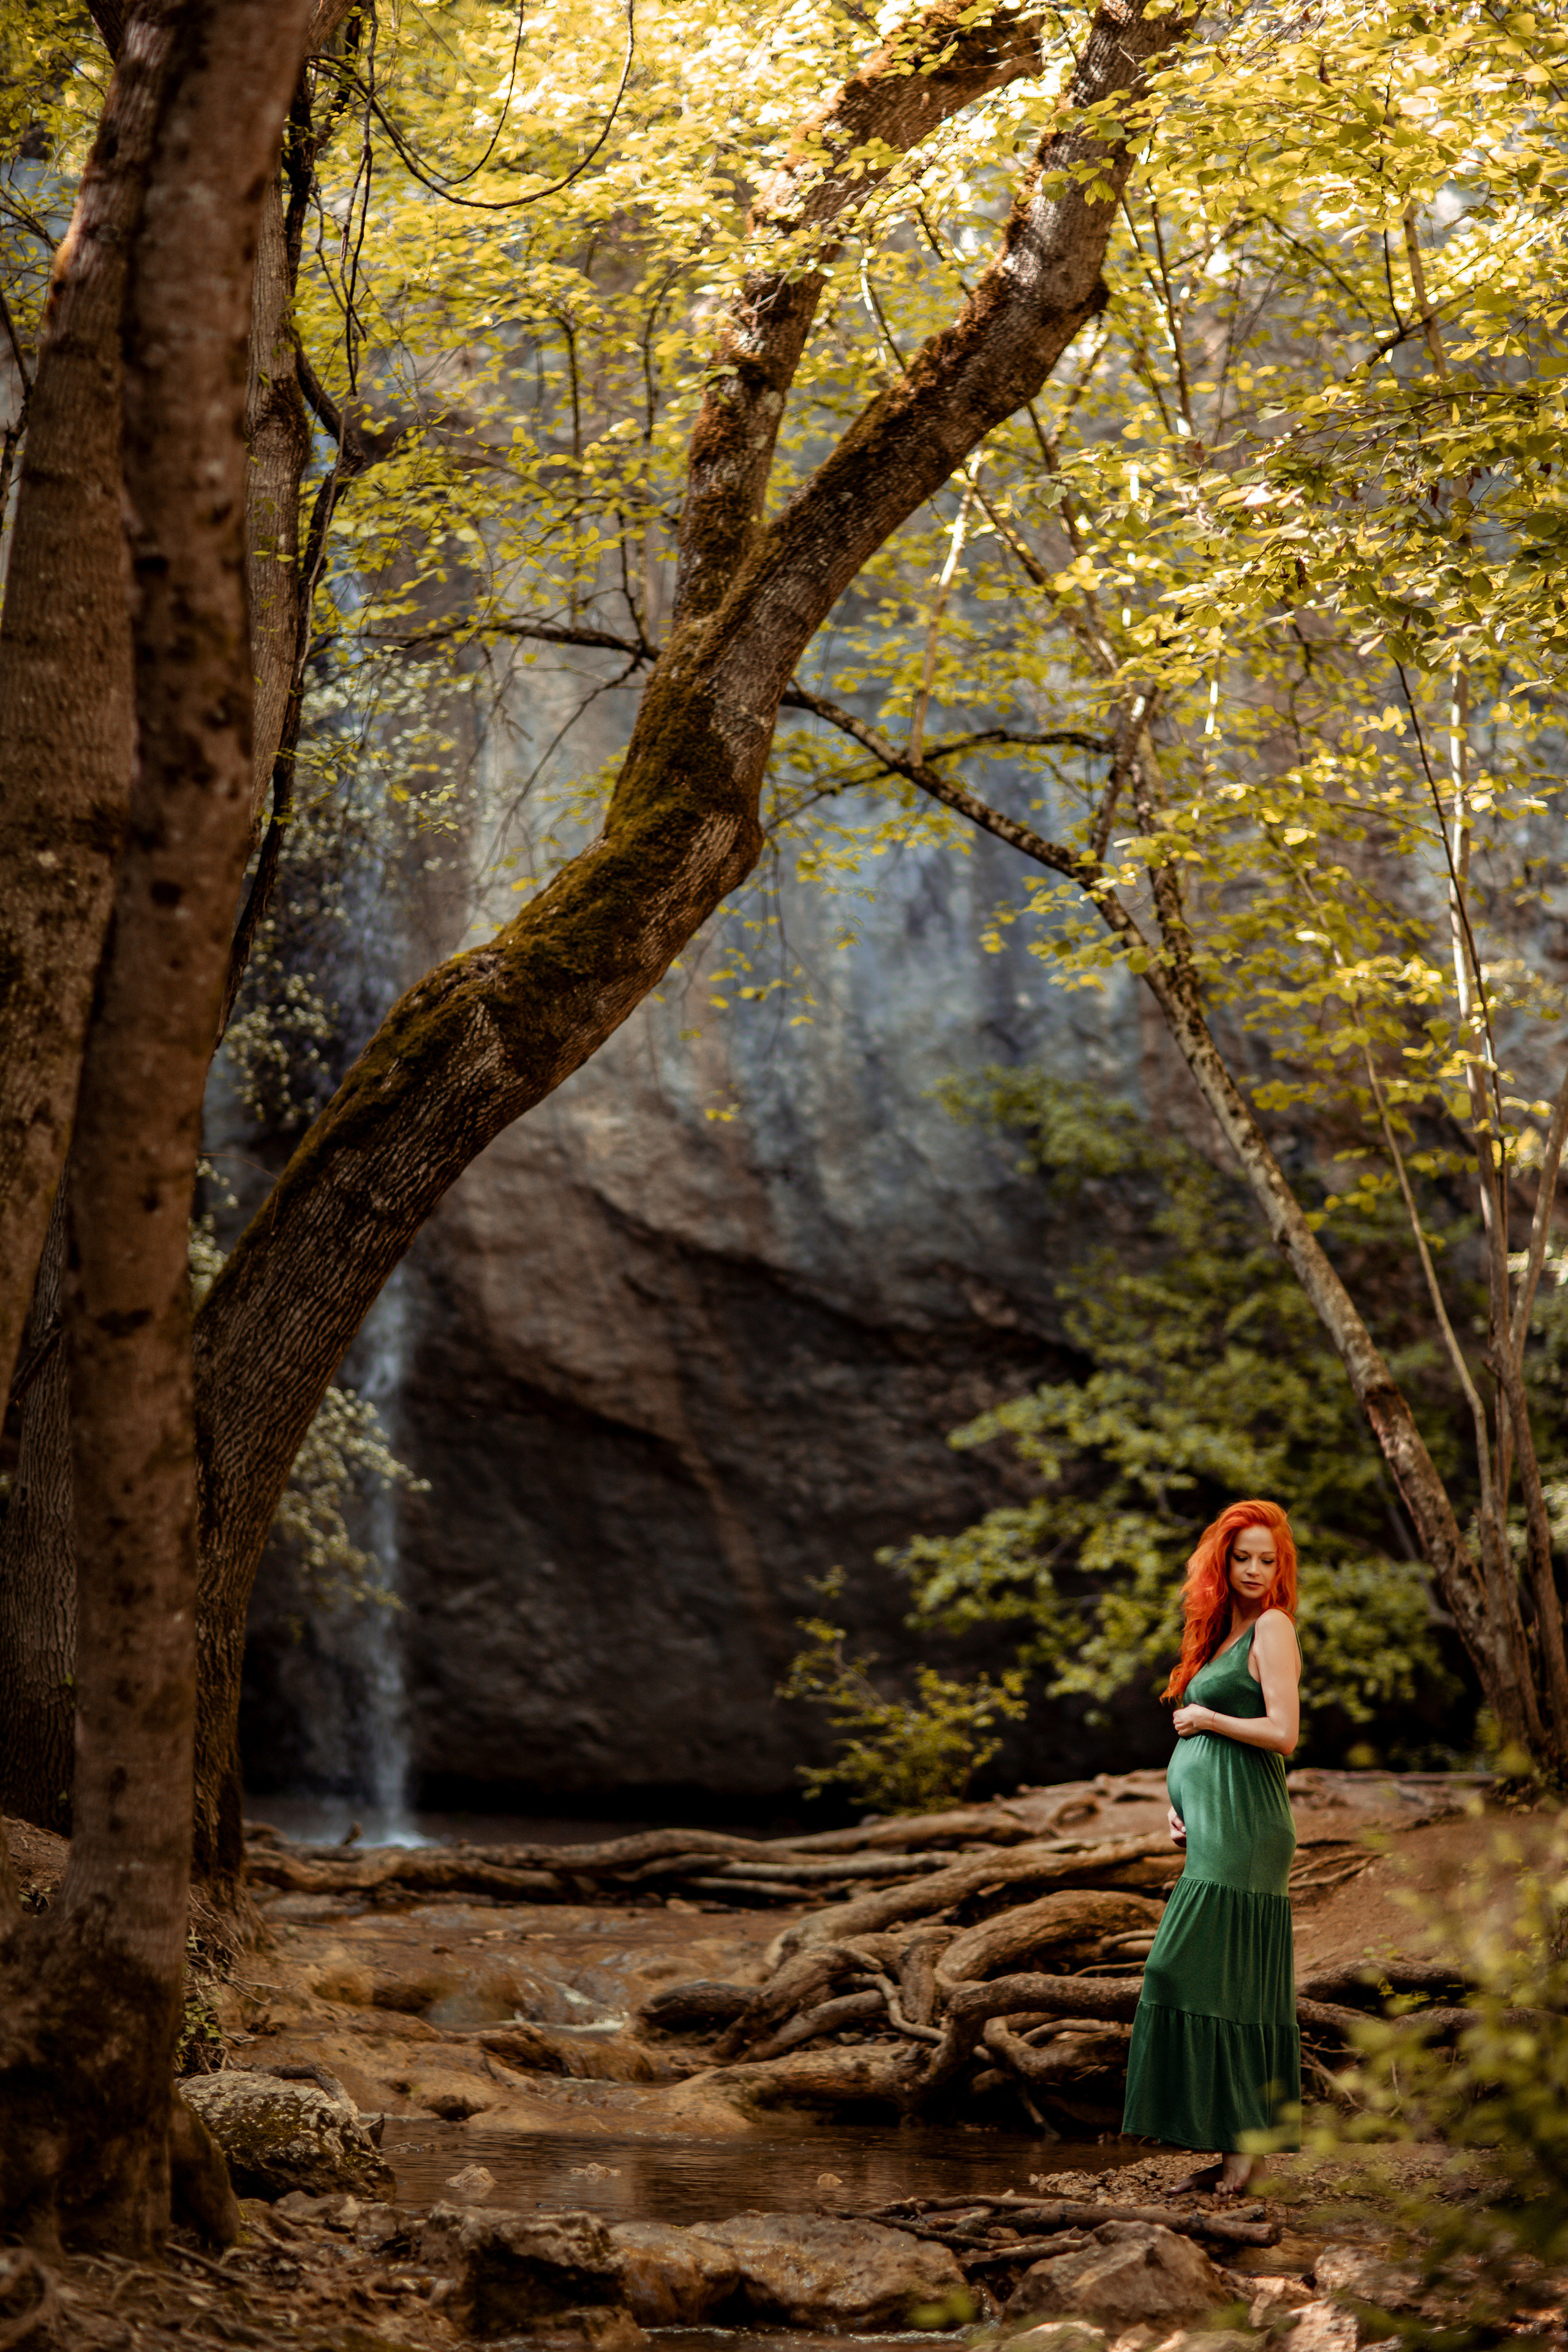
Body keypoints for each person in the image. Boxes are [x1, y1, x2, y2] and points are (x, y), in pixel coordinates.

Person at [1121, 1499, 1302, 2196]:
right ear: (1220, 1562)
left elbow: (1283, 1733)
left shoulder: (1274, 1627)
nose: (1255, 1570)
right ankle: (1241, 2149)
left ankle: (1239, 2150)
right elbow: (1210, 1749)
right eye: (1243, 1557)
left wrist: (1205, 1716)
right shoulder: (1221, 1631)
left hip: (1250, 1828)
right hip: (1215, 1823)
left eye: (1267, 1559)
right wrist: (1181, 1803)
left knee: (1175, 1971)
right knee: (1230, 1985)